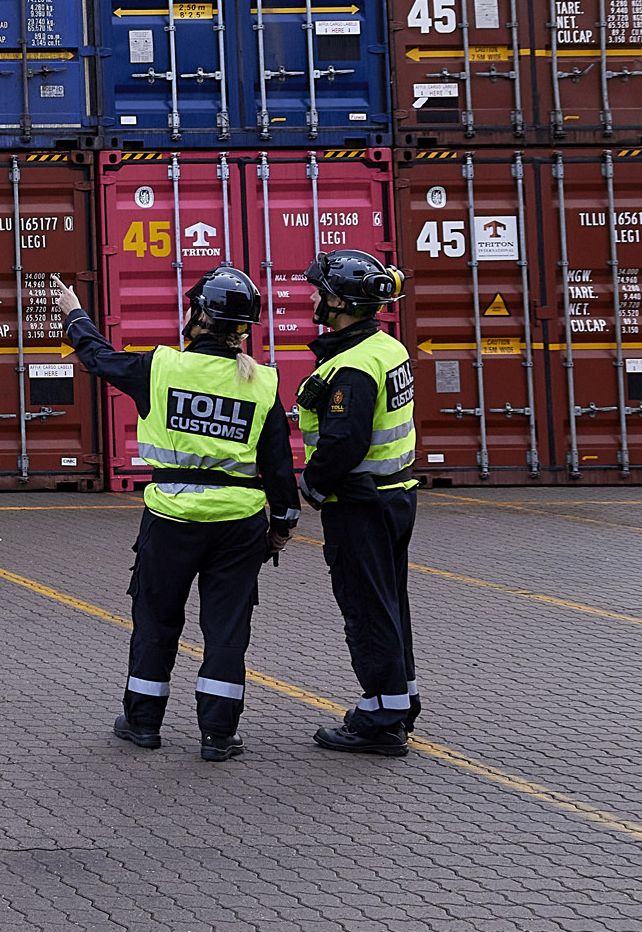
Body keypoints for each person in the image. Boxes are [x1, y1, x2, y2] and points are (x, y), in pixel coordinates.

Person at [43, 267, 302, 762]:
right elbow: (278, 467)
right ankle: (218, 735)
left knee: (157, 620)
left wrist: (73, 312)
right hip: (239, 525)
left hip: (170, 522)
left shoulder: (160, 368)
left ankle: (142, 723)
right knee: (227, 628)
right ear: (243, 328)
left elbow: (98, 358)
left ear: (199, 316)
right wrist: (283, 527)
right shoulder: (263, 383)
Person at [293, 249, 421, 756]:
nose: (312, 298)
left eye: (319, 291)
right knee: (390, 605)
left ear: (341, 302)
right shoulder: (386, 348)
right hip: (394, 497)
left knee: (366, 609)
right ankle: (399, 699)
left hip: (361, 504)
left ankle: (381, 720)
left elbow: (344, 444)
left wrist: (311, 487)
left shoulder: (352, 368)